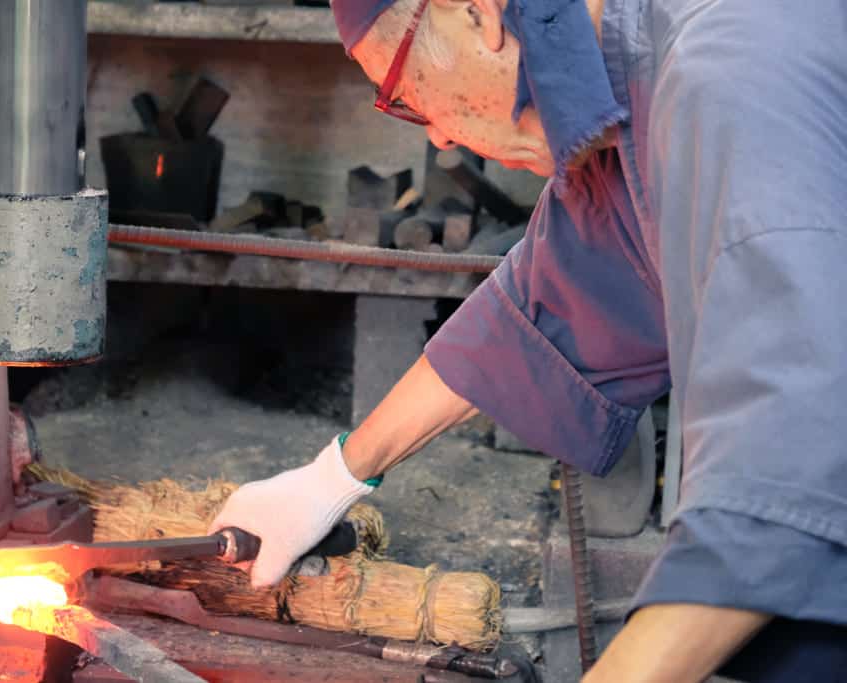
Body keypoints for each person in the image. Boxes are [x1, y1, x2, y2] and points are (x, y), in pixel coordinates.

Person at [210, 0, 847, 680]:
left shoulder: (725, 72)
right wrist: (329, 477)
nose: (444, 140)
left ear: (478, 12)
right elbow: (541, 307)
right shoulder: (644, 93)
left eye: (405, 92)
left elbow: (786, 469)